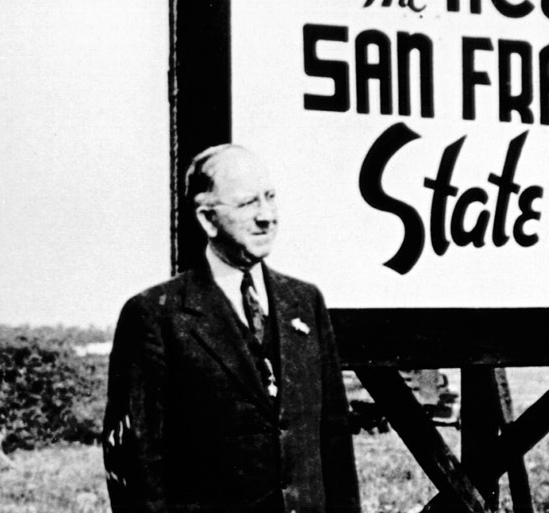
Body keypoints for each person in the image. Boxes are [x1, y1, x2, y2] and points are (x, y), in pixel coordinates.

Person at [102, 144, 360, 512]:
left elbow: (334, 442)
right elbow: (137, 463)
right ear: (208, 219)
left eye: (269, 197)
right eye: (247, 204)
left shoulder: (304, 303)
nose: (266, 216)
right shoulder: (155, 316)